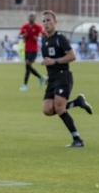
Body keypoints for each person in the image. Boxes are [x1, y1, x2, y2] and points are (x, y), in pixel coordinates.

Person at [39, 10, 93, 148]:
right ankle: (77, 102)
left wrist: (55, 62)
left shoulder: (60, 38)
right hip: (52, 79)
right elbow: (48, 61)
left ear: (55, 22)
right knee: (47, 109)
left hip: (63, 76)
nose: (46, 23)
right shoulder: (44, 41)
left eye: (49, 20)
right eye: (44, 21)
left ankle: (78, 139)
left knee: (59, 107)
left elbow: (72, 56)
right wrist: (47, 76)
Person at [19, 13, 46, 92]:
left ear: (35, 18)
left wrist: (37, 37)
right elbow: (20, 35)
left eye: (33, 17)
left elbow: (43, 34)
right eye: (30, 17)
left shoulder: (37, 27)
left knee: (27, 65)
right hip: (27, 49)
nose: (31, 18)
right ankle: (40, 78)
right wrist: (24, 35)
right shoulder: (25, 26)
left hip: (34, 49)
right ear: (28, 18)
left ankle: (25, 85)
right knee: (28, 67)